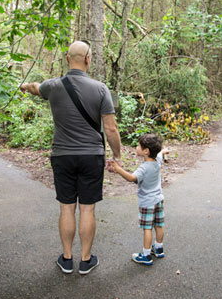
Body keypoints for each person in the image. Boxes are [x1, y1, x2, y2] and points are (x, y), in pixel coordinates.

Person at [20, 40, 122, 275]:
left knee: (67, 208)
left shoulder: (53, 86)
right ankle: (86, 261)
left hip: (62, 156)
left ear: (67, 59)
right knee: (87, 209)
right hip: (91, 156)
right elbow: (111, 128)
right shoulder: (101, 89)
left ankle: (67, 259)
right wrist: (116, 154)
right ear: (88, 59)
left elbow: (36, 87)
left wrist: (25, 86)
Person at [109, 133, 167, 266]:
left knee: (147, 228)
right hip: (158, 199)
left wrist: (118, 169)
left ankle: (146, 255)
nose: (136, 147)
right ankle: (159, 248)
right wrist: (164, 150)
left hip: (147, 202)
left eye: (139, 146)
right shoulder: (157, 160)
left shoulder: (144, 168)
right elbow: (160, 153)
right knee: (159, 224)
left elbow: (132, 178)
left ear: (146, 151)